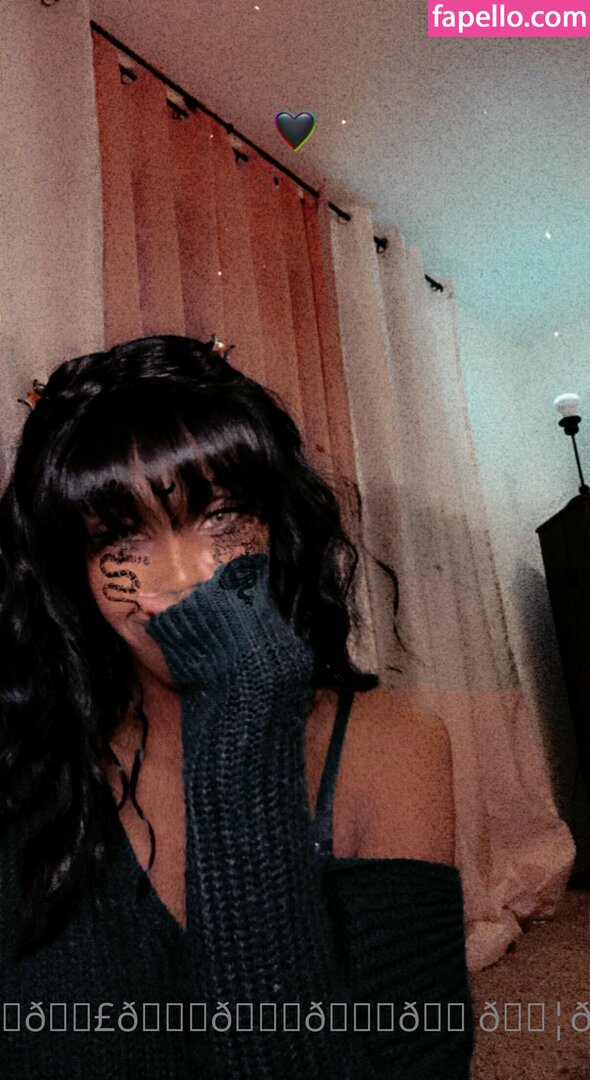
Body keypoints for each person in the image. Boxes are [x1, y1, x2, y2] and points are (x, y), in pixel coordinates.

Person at [0, 334, 474, 1078]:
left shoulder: (394, 747)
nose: (181, 578)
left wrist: (244, 726)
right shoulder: (34, 762)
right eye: (121, 537)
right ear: (74, 572)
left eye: (219, 517)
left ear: (275, 527)